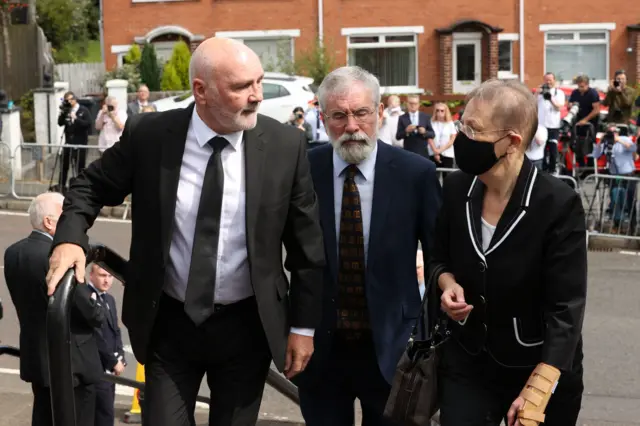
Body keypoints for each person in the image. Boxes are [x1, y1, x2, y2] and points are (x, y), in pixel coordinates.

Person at [45, 37, 325, 426]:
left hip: (248, 327)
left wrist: (303, 327)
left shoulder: (284, 145)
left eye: (259, 82)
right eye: (242, 86)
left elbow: (307, 248)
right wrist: (71, 238)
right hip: (169, 324)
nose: (257, 96)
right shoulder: (151, 135)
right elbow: (89, 187)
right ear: (201, 91)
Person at [429, 79, 586, 426]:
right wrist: (446, 283)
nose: (462, 137)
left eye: (473, 129)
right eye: (461, 124)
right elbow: (438, 256)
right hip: (469, 359)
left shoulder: (557, 203)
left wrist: (540, 385)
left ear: (511, 142)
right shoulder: (457, 187)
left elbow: (567, 306)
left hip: (537, 362)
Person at [295, 66, 442, 426]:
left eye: (361, 112)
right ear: (323, 117)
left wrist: (426, 337)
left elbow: (440, 257)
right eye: (339, 115)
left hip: (394, 348)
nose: (351, 126)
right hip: (320, 350)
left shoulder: (416, 174)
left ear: (378, 113)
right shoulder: (302, 169)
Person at [4, 192, 106, 426]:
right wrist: (99, 307)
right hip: (72, 365)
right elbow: (89, 310)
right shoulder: (59, 257)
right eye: (65, 215)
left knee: (43, 415)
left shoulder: (13, 253)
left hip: (37, 360)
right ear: (49, 222)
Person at [88, 264, 126, 426]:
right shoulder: (88, 298)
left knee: (106, 412)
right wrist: (113, 361)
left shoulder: (109, 299)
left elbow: (115, 330)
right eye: (102, 276)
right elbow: (96, 336)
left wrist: (121, 355)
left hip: (111, 370)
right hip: (98, 369)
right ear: (91, 276)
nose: (107, 281)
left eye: (110, 277)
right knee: (103, 417)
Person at [57, 91, 91, 190]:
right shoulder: (66, 110)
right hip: (68, 143)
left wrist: (76, 119)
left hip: (80, 143)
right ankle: (61, 186)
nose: (68, 102)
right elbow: (60, 123)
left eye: (70, 100)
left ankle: (80, 187)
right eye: (66, 100)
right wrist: (63, 113)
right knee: (64, 166)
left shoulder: (83, 110)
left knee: (79, 167)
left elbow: (88, 124)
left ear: (75, 99)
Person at [536, 72, 565, 174]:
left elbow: (559, 107)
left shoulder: (559, 93)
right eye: (546, 80)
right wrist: (536, 93)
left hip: (553, 126)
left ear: (554, 80)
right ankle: (542, 170)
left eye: (550, 80)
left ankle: (552, 170)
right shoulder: (540, 93)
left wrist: (550, 98)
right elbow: (531, 104)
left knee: (553, 149)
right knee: (541, 149)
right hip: (541, 126)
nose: (548, 82)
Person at [430, 102, 457, 170]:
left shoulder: (450, 123)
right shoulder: (431, 123)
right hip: (433, 152)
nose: (440, 112)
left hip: (447, 153)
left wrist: (440, 151)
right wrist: (436, 152)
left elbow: (452, 140)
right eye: (437, 110)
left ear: (446, 112)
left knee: (447, 176)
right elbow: (429, 138)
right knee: (433, 175)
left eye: (442, 110)